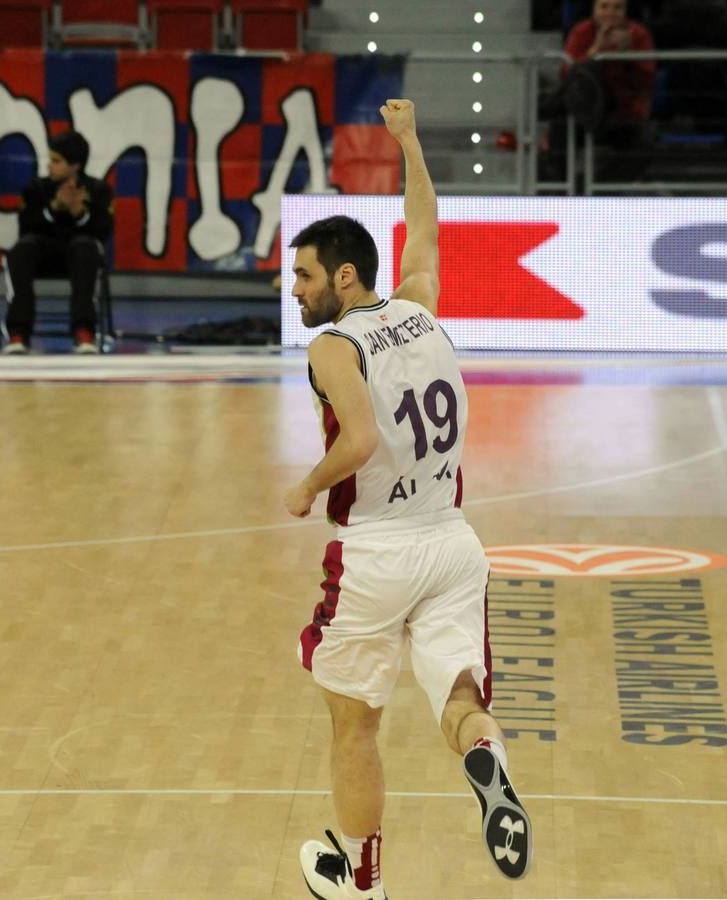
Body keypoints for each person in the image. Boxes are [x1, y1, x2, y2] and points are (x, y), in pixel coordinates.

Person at [286, 99, 532, 900]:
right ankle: (484, 759)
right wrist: (410, 144)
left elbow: (356, 442)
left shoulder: (333, 344)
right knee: (460, 696)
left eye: (305, 275)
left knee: (355, 722)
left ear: (344, 277)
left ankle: (362, 883)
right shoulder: (418, 307)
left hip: (379, 552)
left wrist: (307, 485)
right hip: (454, 544)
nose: (296, 290)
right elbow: (423, 226)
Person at [2, 130, 114, 355]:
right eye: (49, 160)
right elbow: (26, 226)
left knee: (85, 246)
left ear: (75, 166)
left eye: (56, 161)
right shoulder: (35, 188)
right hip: (44, 255)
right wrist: (54, 208)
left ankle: (84, 332)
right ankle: (18, 334)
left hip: (80, 257)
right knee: (21, 249)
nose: (48, 166)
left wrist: (78, 212)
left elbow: (102, 231)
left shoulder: (98, 190)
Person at [561, 0, 658, 182]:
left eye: (617, 7)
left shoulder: (638, 34)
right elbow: (566, 75)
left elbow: (648, 81)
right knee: (558, 130)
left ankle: (602, 194)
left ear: (625, 11)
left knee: (645, 140)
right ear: (594, 10)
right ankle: (555, 196)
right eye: (604, 7)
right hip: (584, 110)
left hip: (624, 111)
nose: (610, 13)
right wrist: (596, 50)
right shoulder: (582, 31)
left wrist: (628, 54)